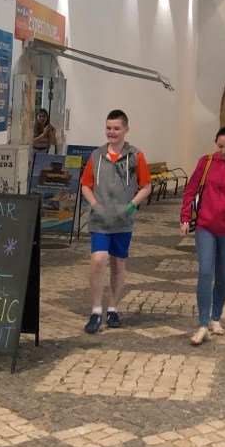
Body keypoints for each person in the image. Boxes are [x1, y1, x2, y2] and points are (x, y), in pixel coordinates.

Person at [180, 126, 225, 345]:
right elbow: (191, 190)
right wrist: (185, 217)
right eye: (220, 146)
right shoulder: (206, 162)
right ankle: (203, 324)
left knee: (222, 274)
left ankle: (215, 318)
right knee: (205, 272)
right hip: (206, 226)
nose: (223, 151)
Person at [79, 109, 152, 333]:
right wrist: (95, 205)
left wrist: (130, 206)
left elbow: (146, 186)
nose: (111, 132)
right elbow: (85, 185)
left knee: (118, 263)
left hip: (122, 220)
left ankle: (113, 308)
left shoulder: (136, 156)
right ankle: (96, 311)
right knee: (99, 259)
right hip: (100, 220)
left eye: (116, 128)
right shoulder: (97, 156)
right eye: (109, 128)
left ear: (126, 130)